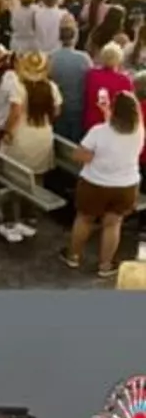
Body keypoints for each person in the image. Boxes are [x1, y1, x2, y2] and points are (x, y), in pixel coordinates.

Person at [68, 90, 142, 280]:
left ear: (115, 110)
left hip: (95, 184)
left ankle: (73, 256)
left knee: (84, 219)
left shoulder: (98, 131)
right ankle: (105, 265)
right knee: (113, 224)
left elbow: (79, 155)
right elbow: (117, 131)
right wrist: (107, 113)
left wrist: (91, 155)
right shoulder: (139, 131)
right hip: (126, 186)